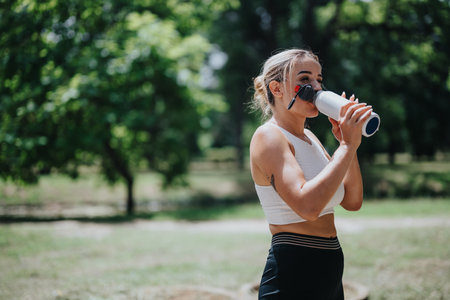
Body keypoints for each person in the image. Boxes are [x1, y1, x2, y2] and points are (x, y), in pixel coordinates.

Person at [250, 48, 373, 299]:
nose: (316, 87)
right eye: (305, 79)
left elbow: (352, 201)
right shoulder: (269, 137)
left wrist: (347, 146)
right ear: (277, 89)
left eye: (319, 79)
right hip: (293, 272)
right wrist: (348, 146)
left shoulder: (311, 138)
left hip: (329, 267)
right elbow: (307, 207)